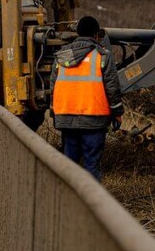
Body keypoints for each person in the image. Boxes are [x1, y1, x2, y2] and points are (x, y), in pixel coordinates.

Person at [50, 16, 123, 181]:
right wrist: (117, 112)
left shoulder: (62, 56)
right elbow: (112, 88)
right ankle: (91, 204)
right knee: (91, 165)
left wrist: (54, 112)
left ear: (78, 33)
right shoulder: (103, 56)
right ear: (97, 35)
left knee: (69, 166)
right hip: (94, 118)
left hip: (66, 118)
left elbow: (53, 86)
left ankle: (68, 201)